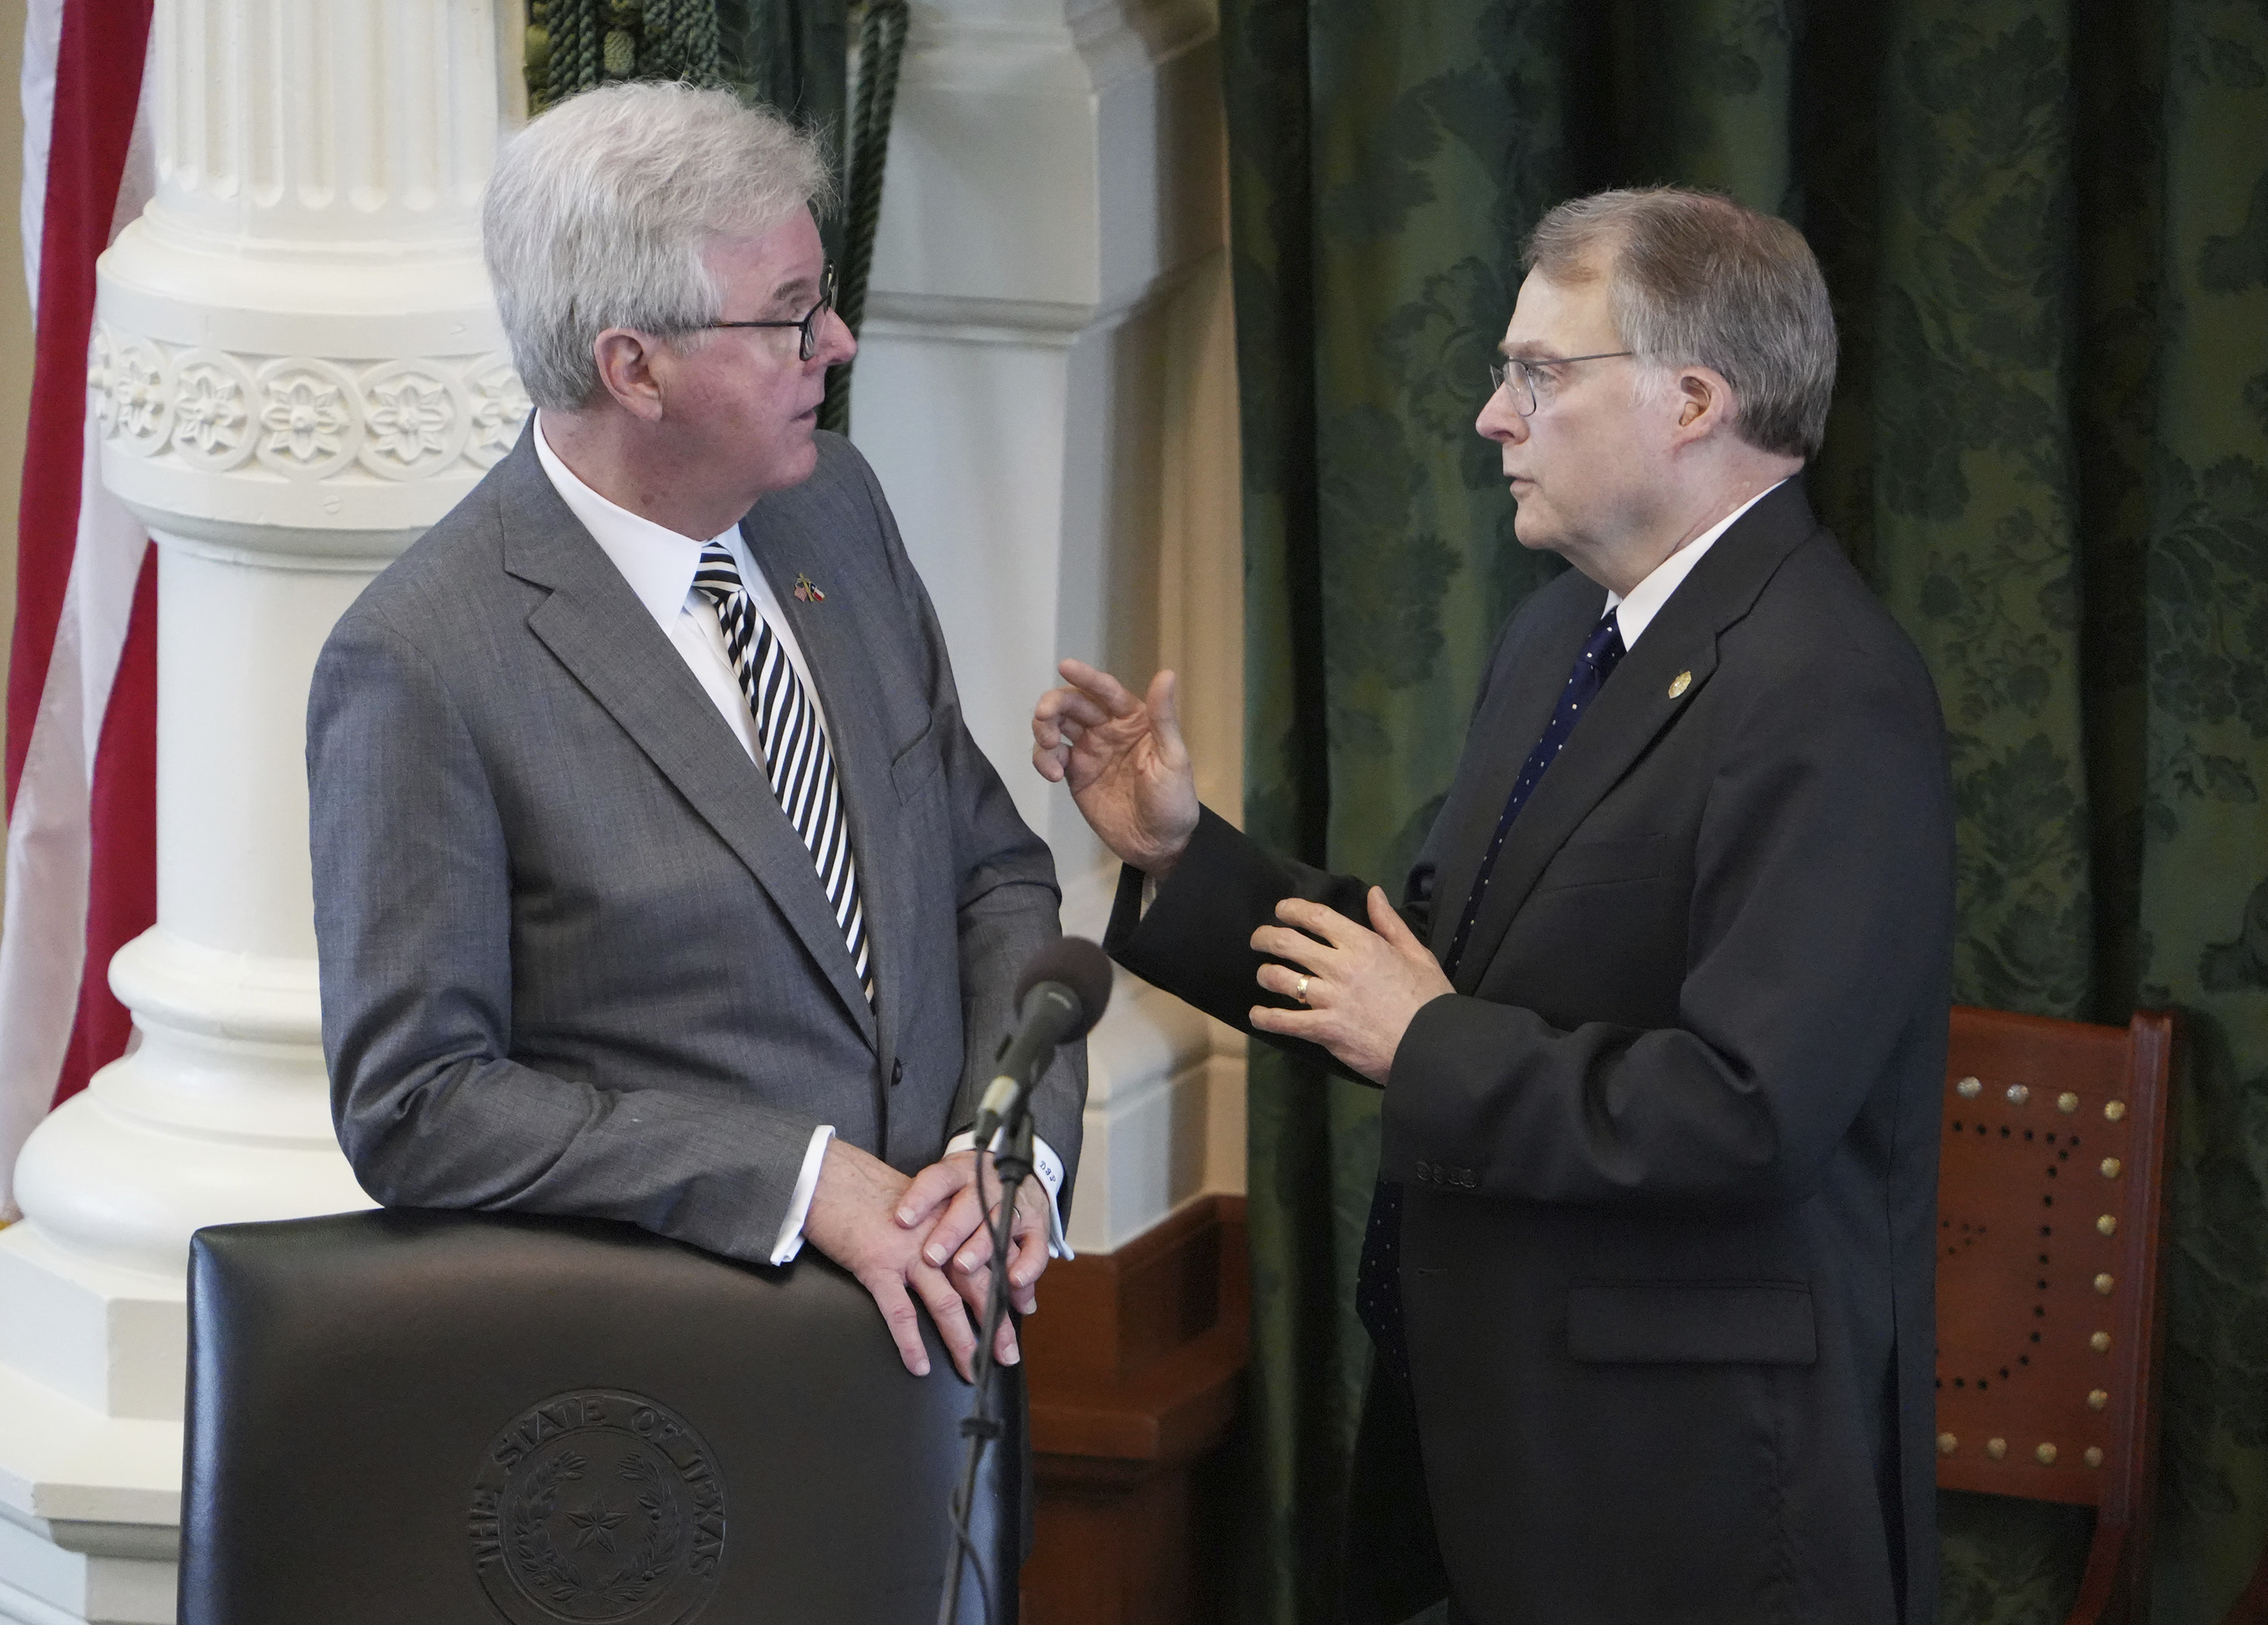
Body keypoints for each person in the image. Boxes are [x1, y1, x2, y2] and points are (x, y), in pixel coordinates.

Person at [1033, 187, 1951, 1624]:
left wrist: (1432, 1042)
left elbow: (1750, 1109)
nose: (1492, 417)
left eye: (1538, 374)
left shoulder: (1831, 690)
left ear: (1692, 398)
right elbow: (1420, 970)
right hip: (1485, 1436)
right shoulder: (1559, 636)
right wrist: (1179, 853)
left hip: (1682, 1493)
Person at [308, 81, 1084, 1389]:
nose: (834, 341)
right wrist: (796, 1177)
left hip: (954, 1363)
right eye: (789, 316)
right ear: (633, 366)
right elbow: (419, 1102)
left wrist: (1009, 1150)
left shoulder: (836, 505)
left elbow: (990, 871)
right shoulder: (424, 659)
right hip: (679, 1395)